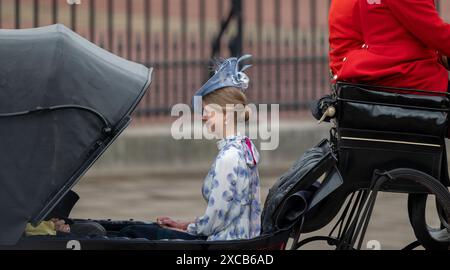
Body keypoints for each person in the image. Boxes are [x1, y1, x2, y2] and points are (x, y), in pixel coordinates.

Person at [119, 55, 262, 241]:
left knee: (130, 234)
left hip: (222, 246)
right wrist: (184, 225)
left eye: (207, 114)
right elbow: (229, 214)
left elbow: (215, 221)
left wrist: (189, 228)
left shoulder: (228, 157)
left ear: (226, 115)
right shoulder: (246, 147)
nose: (203, 118)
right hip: (239, 241)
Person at [335, 0, 450, 92]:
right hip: (408, 76)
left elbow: (398, 35)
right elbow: (435, 33)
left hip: (385, 72)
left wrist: (440, 56)